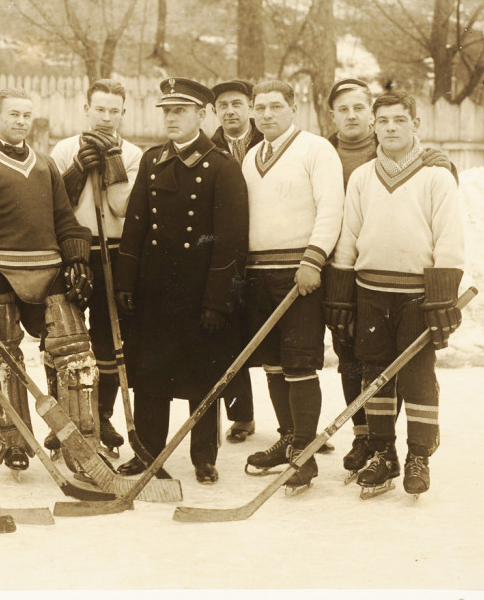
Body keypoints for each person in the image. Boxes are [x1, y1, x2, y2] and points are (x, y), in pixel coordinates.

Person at [0, 87, 94, 476]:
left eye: (27, 115)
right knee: (1, 360)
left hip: (49, 269)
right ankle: (12, 443)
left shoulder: (45, 166)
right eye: (13, 114)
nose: (20, 121)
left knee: (76, 358)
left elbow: (64, 219)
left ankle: (80, 443)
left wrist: (77, 256)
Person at [327, 90, 464, 497]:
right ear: (374, 125)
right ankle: (382, 452)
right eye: (383, 120)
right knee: (374, 372)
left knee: (418, 374)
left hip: (417, 296)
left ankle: (418, 454)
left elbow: (450, 239)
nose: (390, 127)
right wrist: (340, 294)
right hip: (370, 291)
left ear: (415, 125)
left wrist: (442, 299)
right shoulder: (363, 176)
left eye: (399, 120)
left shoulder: (437, 175)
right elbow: (349, 236)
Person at [113, 78, 248, 485]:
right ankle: (147, 453)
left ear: (201, 115)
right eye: (167, 111)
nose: (171, 118)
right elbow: (135, 226)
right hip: (155, 289)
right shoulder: (153, 161)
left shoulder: (222, 166)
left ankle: (203, 457)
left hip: (199, 291)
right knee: (150, 376)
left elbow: (230, 241)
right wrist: (126, 282)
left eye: (181, 111)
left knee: (202, 378)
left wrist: (217, 301)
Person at [241, 80, 344, 492]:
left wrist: (313, 259)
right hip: (258, 274)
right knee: (273, 363)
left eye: (276, 107)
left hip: (299, 273)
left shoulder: (315, 149)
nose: (267, 114)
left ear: (293, 108)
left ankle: (304, 454)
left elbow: (331, 207)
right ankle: (287, 437)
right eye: (260, 108)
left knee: (300, 363)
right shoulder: (250, 157)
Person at [48, 79, 144, 458]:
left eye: (114, 110)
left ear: (123, 113)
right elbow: (56, 206)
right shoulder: (63, 148)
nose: (106, 117)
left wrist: (113, 164)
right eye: (99, 109)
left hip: (114, 252)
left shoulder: (135, 154)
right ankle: (63, 422)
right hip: (71, 251)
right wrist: (76, 171)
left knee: (108, 339)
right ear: (85, 108)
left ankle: (101, 415)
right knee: (63, 341)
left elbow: (123, 208)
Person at [210, 79, 263, 444]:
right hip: (226, 257)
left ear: (251, 107)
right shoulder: (208, 149)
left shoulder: (271, 141)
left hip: (265, 251)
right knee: (228, 337)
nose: (231, 111)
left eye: (237, 104)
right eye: (223, 105)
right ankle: (241, 415)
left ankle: (295, 424)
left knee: (274, 340)